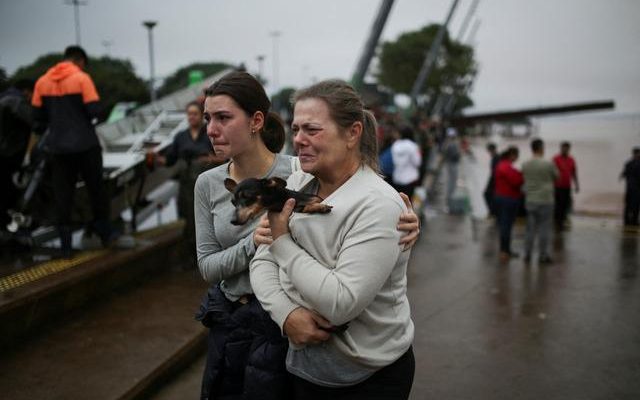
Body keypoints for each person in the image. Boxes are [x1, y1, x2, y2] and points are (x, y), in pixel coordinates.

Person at [193, 72, 419, 400]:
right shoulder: (299, 182)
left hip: (362, 371)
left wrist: (282, 240)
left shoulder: (304, 177)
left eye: (311, 129)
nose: (299, 139)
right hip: (297, 358)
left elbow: (339, 301)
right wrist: (287, 315)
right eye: (296, 129)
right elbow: (261, 261)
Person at [31, 45, 114, 257]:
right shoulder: (82, 78)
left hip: (57, 149)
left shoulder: (42, 82)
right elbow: (95, 111)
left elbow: (38, 121)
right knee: (96, 189)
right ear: (80, 61)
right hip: (86, 145)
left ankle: (66, 247)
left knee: (63, 195)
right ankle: (105, 235)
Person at [151, 101, 224, 267]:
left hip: (207, 181)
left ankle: (212, 255)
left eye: (195, 114)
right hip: (186, 183)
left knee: (209, 217)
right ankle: (192, 256)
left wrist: (210, 159)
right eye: (189, 114)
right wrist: (154, 158)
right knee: (189, 218)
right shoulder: (180, 136)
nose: (191, 117)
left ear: (202, 116)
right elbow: (170, 159)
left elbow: (224, 157)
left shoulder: (210, 133)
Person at [0, 79, 34, 234]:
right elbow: (35, 122)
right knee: (8, 194)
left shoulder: (5, 98)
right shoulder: (16, 102)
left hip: (5, 153)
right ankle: (8, 232)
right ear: (27, 91)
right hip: (7, 155)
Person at [521, 139, 558, 264]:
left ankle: (527, 254)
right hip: (546, 200)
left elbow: (524, 178)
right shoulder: (548, 163)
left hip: (530, 199)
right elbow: (557, 177)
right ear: (541, 148)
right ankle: (543, 255)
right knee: (544, 229)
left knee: (530, 229)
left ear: (532, 149)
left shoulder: (525, 164)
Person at [494, 146, 523, 263]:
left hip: (503, 198)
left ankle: (506, 250)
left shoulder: (502, 165)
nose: (517, 158)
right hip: (507, 199)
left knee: (507, 225)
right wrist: (521, 175)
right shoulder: (505, 166)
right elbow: (517, 181)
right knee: (506, 226)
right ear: (511, 155)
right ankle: (504, 251)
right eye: (516, 155)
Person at [553, 141, 579, 230]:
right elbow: (550, 172)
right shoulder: (555, 159)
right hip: (557, 186)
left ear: (569, 149)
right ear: (560, 148)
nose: (564, 150)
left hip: (567, 186)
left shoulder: (572, 159)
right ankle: (557, 223)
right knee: (557, 205)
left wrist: (577, 185)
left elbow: (574, 172)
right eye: (563, 148)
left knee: (565, 205)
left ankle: (562, 221)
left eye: (566, 148)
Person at [391, 125, 422, 198]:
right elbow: (417, 162)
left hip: (397, 178)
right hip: (410, 179)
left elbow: (394, 161)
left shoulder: (395, 144)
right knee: (407, 203)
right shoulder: (413, 146)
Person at [620, 147, 640, 227]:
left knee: (628, 204)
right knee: (636, 205)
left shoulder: (628, 163)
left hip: (629, 187)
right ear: (637, 154)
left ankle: (626, 220)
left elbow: (623, 174)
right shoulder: (638, 163)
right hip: (637, 188)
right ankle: (634, 221)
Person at [443, 127, 461, 205]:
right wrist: (459, 153)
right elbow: (454, 155)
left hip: (451, 163)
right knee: (452, 181)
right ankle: (450, 198)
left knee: (452, 181)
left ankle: (450, 197)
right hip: (452, 164)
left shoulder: (449, 143)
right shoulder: (451, 144)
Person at [483, 142, 499, 218]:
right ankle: (493, 211)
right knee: (489, 195)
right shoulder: (495, 157)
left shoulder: (496, 157)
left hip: (495, 179)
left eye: (489, 150)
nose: (488, 152)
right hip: (494, 179)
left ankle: (493, 211)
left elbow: (495, 171)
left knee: (487, 194)